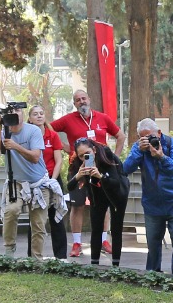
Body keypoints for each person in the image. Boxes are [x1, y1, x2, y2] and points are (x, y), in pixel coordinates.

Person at [52, 88, 121, 259]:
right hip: (78, 168)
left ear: (89, 99)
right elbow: (49, 130)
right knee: (77, 205)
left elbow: (120, 136)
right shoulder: (68, 120)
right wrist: (64, 147)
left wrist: (115, 159)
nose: (81, 101)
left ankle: (104, 241)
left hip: (100, 167)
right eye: (77, 100)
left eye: (84, 98)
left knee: (104, 203)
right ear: (74, 104)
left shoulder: (103, 118)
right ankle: (76, 243)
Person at [124, 118, 173, 276]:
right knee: (153, 245)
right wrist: (139, 151)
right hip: (153, 205)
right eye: (143, 137)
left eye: (150, 136)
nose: (148, 141)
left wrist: (162, 157)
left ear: (159, 133)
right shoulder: (139, 148)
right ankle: (152, 276)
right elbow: (125, 169)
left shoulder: (171, 144)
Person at [0, 102, 56, 257]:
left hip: (38, 182)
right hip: (16, 182)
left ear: (23, 114)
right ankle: (9, 252)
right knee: (11, 211)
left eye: (18, 110)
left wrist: (15, 146)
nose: (15, 114)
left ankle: (37, 259)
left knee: (38, 223)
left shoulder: (33, 130)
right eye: (11, 111)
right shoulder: (4, 131)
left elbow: (35, 157)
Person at [68, 138, 130, 266]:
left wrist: (100, 176)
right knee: (96, 227)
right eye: (81, 156)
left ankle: (116, 266)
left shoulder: (105, 154)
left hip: (117, 192)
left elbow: (116, 183)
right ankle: (94, 266)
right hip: (97, 194)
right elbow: (70, 187)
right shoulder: (77, 162)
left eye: (88, 153)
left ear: (94, 150)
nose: (85, 157)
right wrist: (78, 175)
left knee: (116, 229)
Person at [30, 105, 68, 259]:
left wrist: (53, 180)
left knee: (56, 218)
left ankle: (61, 257)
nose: (39, 116)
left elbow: (58, 160)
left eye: (41, 113)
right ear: (30, 118)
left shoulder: (52, 135)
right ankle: (32, 257)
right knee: (36, 220)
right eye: (35, 114)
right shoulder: (27, 136)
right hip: (35, 181)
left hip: (52, 179)